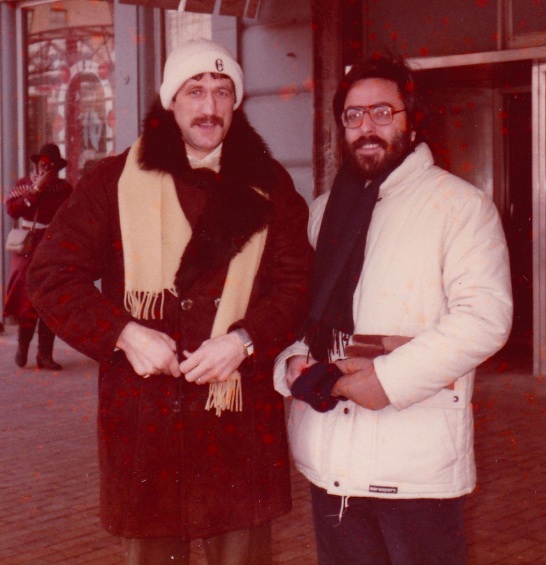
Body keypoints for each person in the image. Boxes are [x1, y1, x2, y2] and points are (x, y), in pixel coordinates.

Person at [27, 38, 313, 564]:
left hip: (237, 423)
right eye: (195, 90)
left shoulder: (269, 184)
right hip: (146, 422)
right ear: (170, 101)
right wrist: (123, 334)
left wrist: (245, 341)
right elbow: (51, 276)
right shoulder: (113, 181)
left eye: (222, 91)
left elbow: (297, 285)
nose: (209, 106)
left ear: (236, 102)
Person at [274, 53, 513, 565]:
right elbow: (305, 313)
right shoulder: (324, 211)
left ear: (412, 120)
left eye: (383, 112)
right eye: (353, 115)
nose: (367, 127)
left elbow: (484, 319)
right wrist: (291, 361)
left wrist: (389, 379)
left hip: (413, 467)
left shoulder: (460, 207)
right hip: (330, 459)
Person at [4, 143, 72, 370]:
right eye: (43, 163)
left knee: (50, 301)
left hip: (52, 247)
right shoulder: (24, 184)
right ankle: (22, 348)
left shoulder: (64, 188)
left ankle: (44, 354)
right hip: (28, 248)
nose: (46, 167)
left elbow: (71, 216)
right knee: (27, 299)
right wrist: (35, 191)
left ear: (57, 167)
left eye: (51, 164)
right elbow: (12, 210)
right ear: (37, 163)